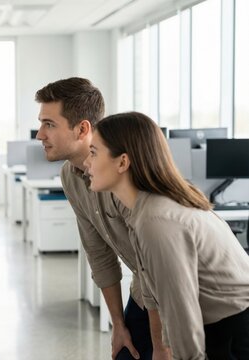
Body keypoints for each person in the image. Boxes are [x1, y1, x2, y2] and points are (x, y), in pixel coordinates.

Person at [84, 111, 249, 359]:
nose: (86, 162)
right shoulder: (148, 209)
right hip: (224, 324)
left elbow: (182, 313)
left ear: (122, 162)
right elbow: (160, 294)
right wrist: (164, 345)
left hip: (234, 330)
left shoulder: (156, 220)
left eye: (94, 152)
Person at [35, 78, 171, 359]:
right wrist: (118, 324)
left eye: (49, 124)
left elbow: (158, 268)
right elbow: (98, 253)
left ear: (82, 128)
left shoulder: (124, 173)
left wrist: (161, 346)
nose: (39, 134)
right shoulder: (69, 176)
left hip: (183, 292)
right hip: (144, 291)